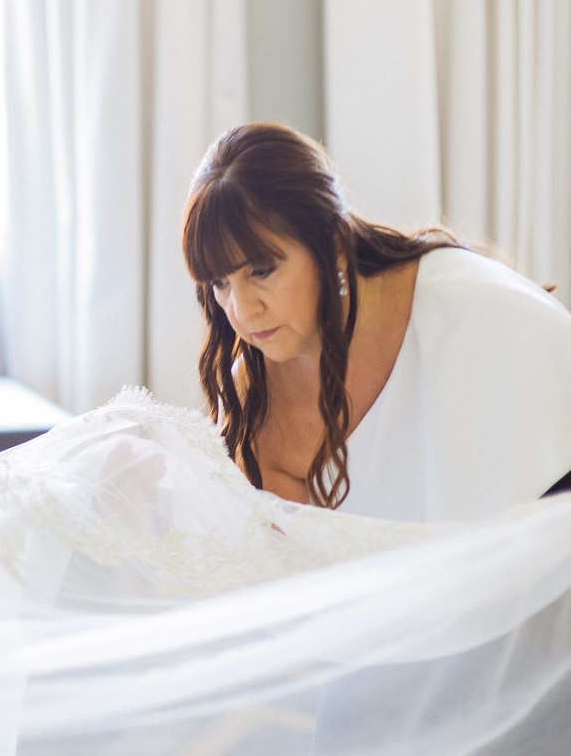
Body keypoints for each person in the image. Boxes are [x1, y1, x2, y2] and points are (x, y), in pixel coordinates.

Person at [182, 122, 571, 520]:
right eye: (219, 283)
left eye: (262, 270)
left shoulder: (477, 308)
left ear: (333, 242)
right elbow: (295, 569)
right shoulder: (255, 399)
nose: (242, 312)